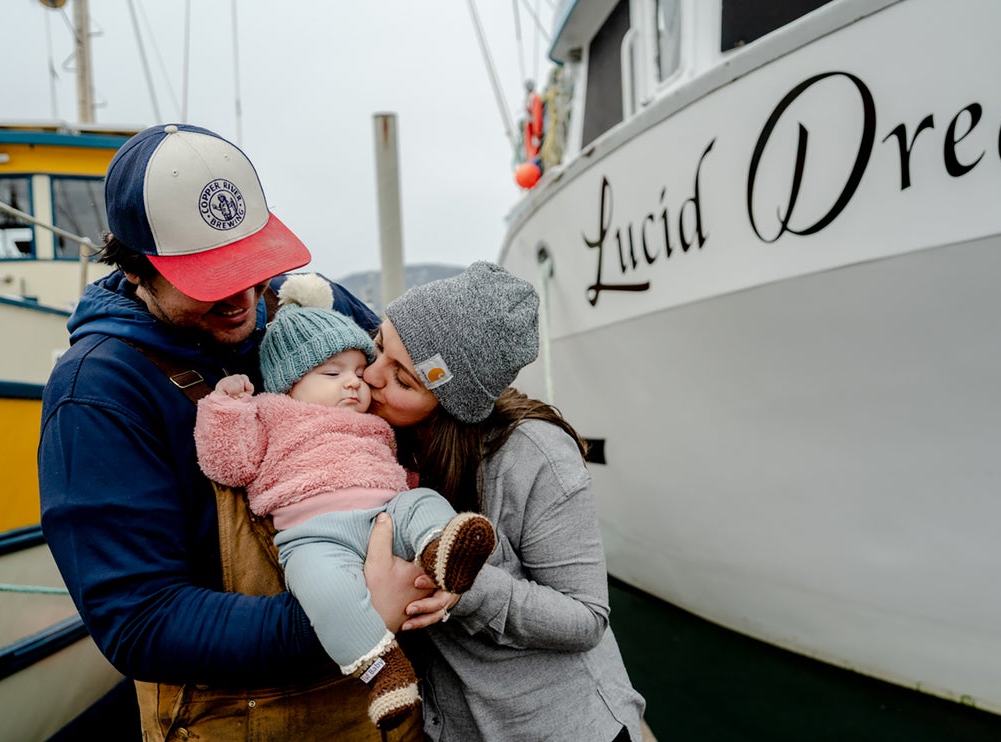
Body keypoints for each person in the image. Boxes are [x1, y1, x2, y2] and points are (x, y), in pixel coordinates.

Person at [38, 123, 436, 741]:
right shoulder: (96, 392)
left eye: (249, 266)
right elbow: (138, 620)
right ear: (137, 268)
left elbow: (419, 393)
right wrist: (352, 618)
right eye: (209, 278)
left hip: (388, 712)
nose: (242, 295)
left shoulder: (301, 307)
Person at [193, 274, 497, 731]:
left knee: (422, 500)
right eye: (332, 374)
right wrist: (225, 408)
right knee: (325, 594)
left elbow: (397, 471)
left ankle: (442, 548)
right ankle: (381, 670)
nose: (355, 384)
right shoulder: (269, 414)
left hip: (386, 513)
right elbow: (228, 464)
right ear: (289, 382)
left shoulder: (372, 420)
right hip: (312, 533)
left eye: (359, 371)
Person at [363, 262, 647, 741]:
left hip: (561, 728)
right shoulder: (379, 443)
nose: (369, 377)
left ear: (451, 402)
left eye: (403, 380)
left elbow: (586, 617)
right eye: (377, 347)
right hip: (455, 726)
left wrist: (464, 585)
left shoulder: (532, 455)